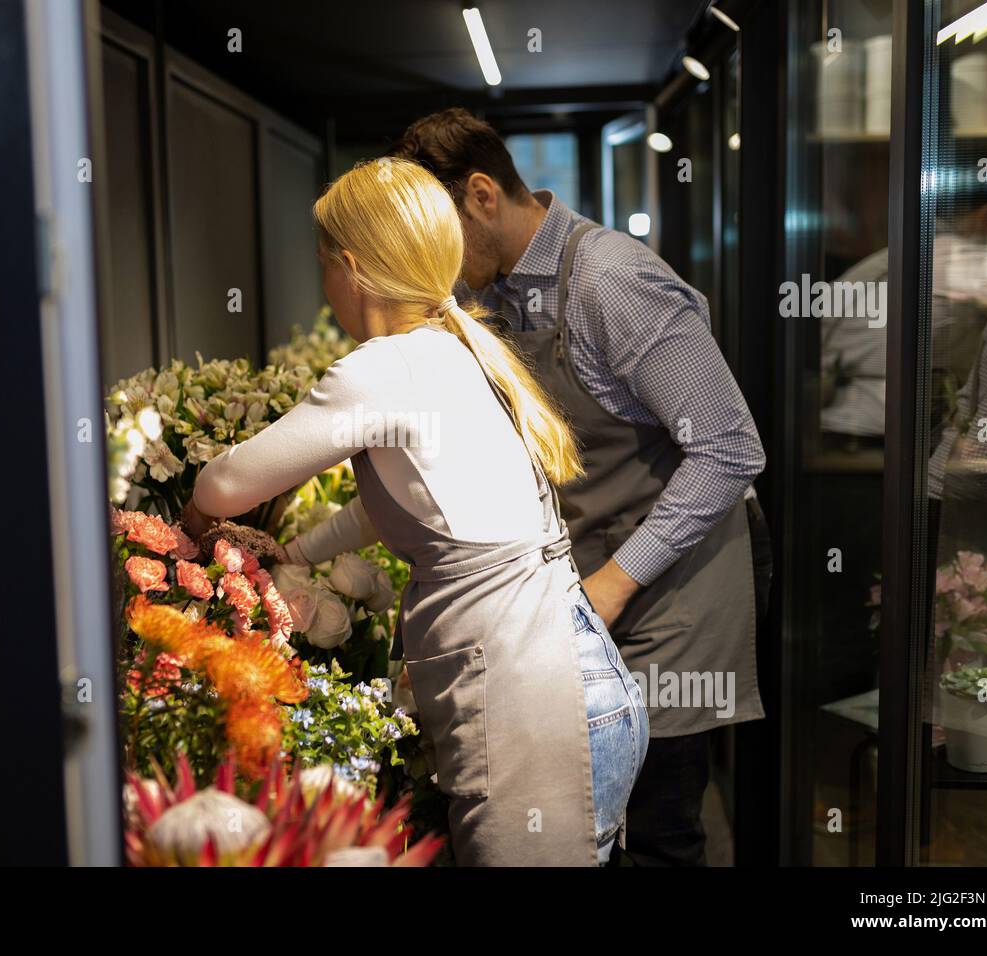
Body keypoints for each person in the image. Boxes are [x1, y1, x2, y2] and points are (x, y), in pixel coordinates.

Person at [182, 158, 647, 866]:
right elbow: (410, 507)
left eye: (322, 263)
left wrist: (191, 526)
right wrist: (300, 554)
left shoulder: (382, 370)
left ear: (350, 266)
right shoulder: (453, 352)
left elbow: (225, 485)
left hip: (535, 708)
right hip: (579, 688)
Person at [391, 108, 766, 866]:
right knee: (594, 818)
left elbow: (729, 448)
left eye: (441, 234)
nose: (437, 261)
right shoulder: (493, 297)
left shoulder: (612, 281)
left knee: (658, 830)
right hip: (595, 590)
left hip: (674, 596)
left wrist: (613, 585)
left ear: (483, 196)